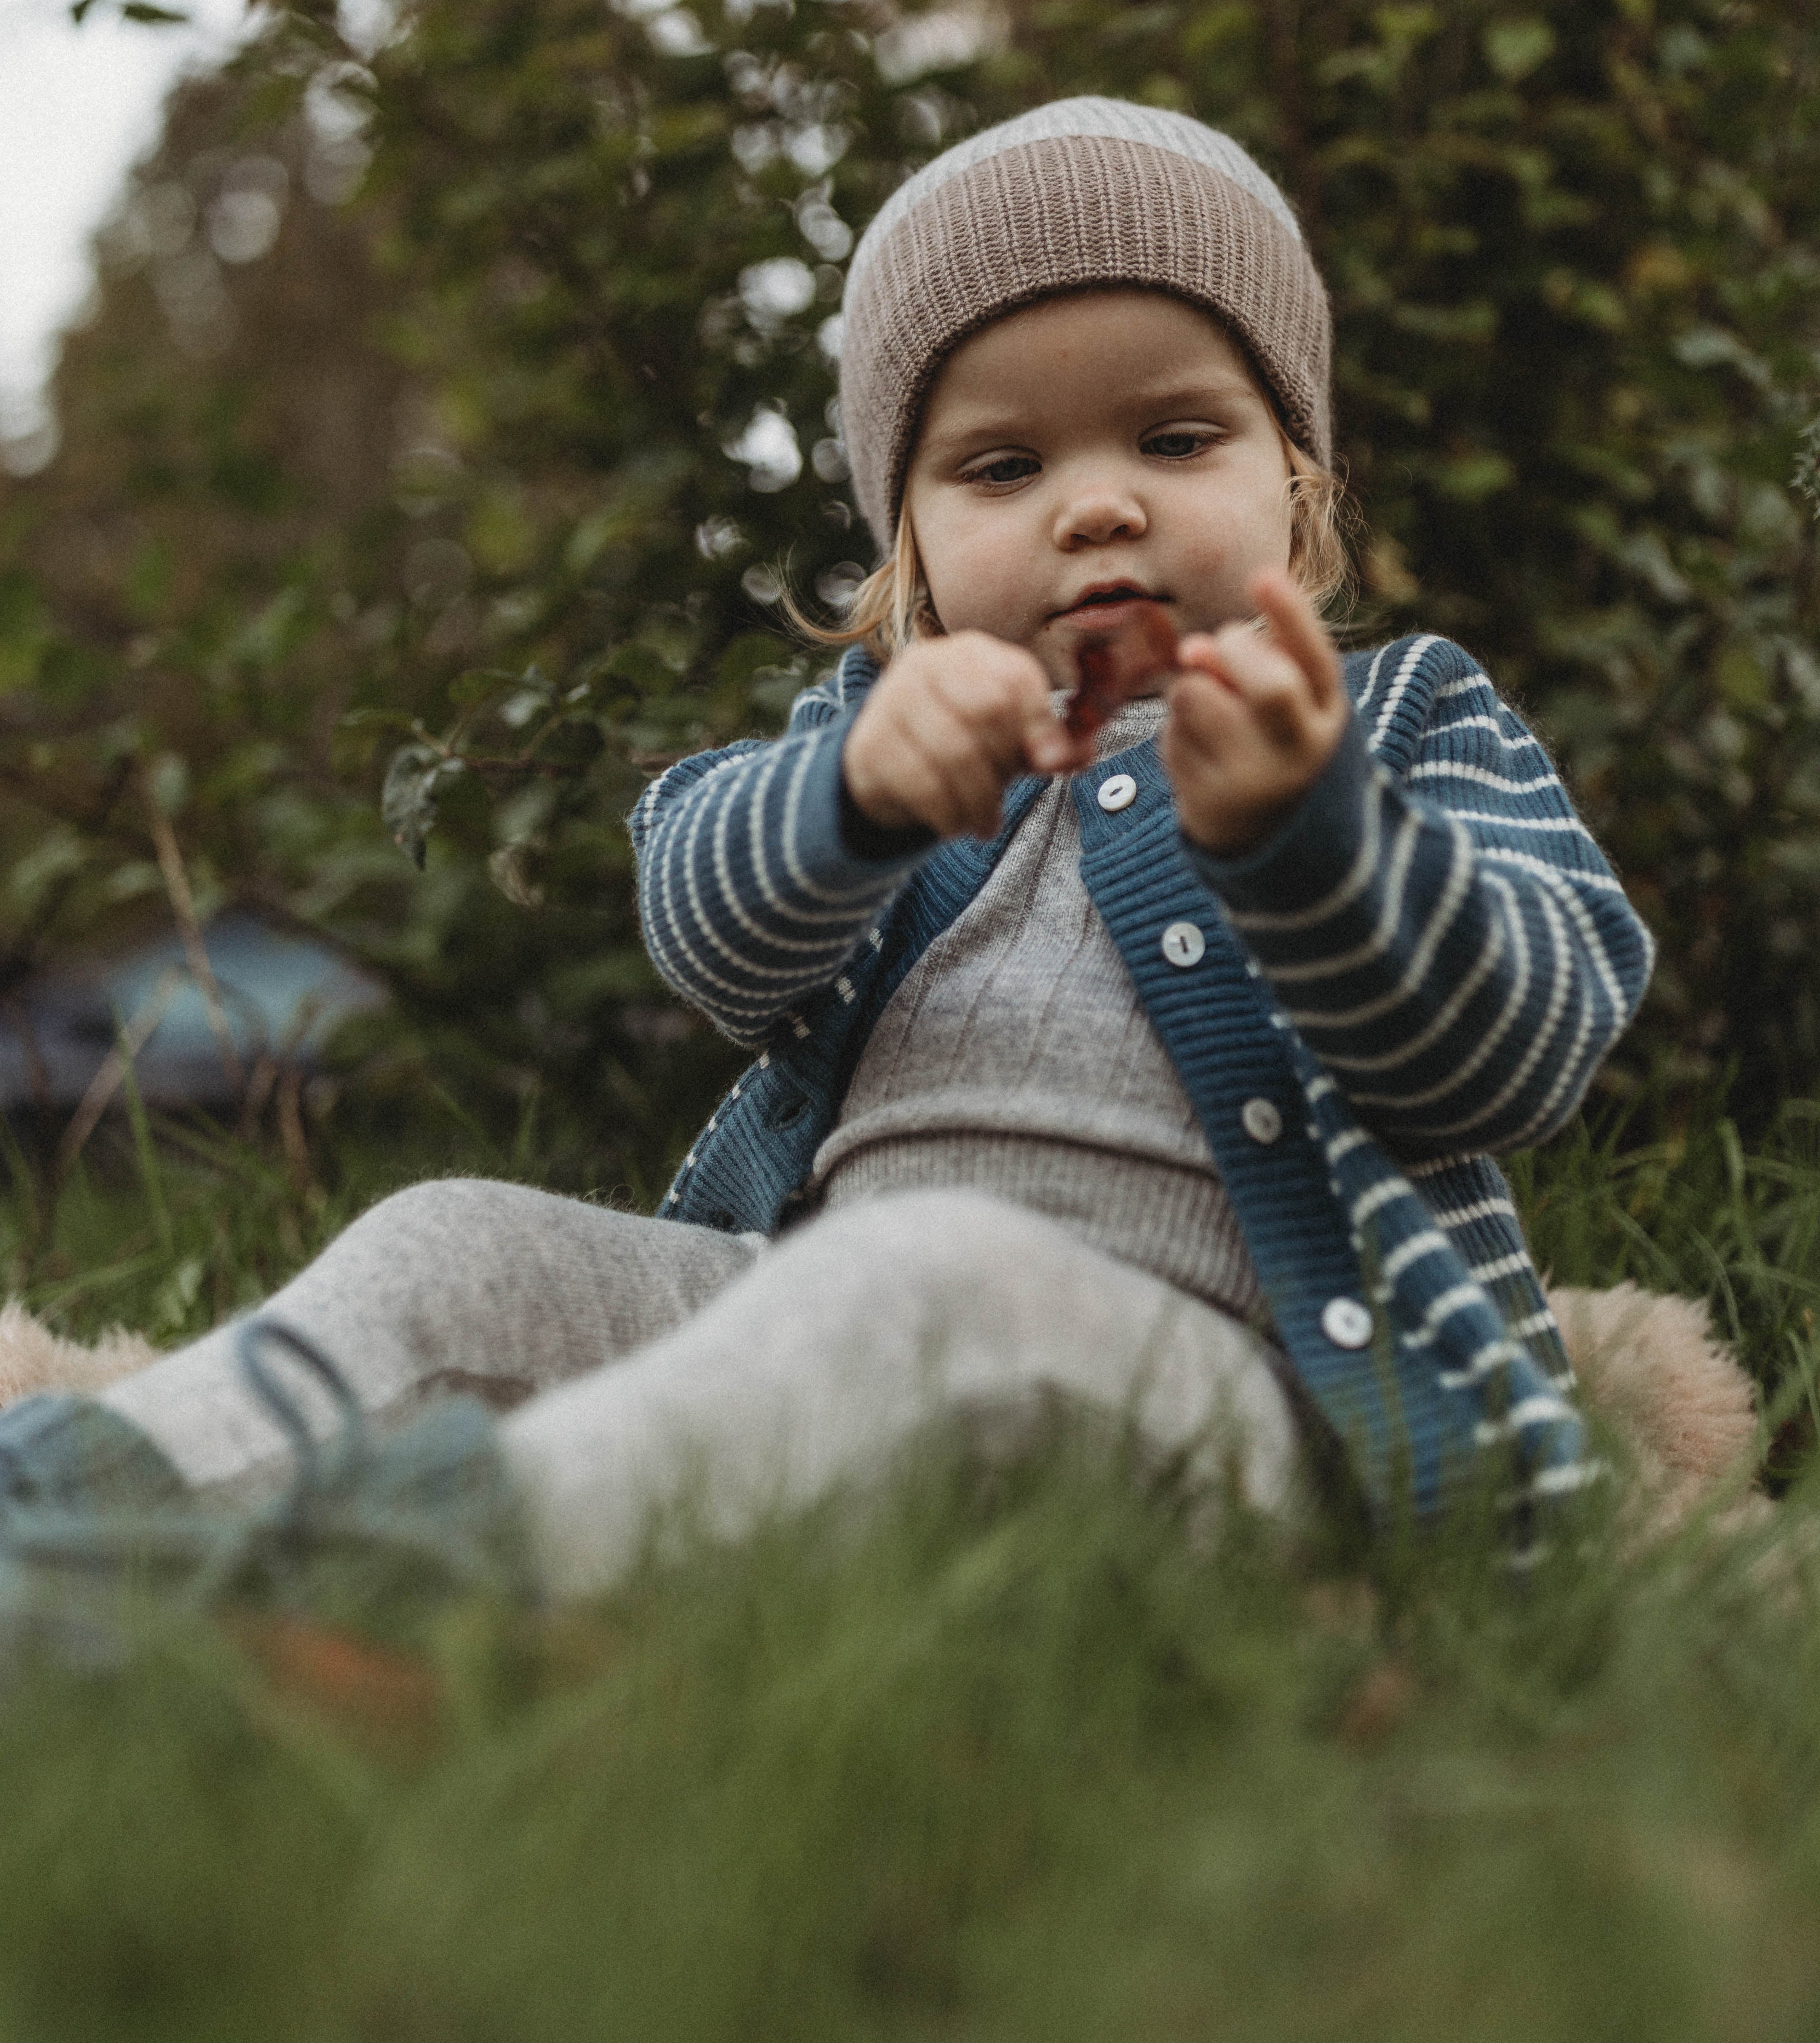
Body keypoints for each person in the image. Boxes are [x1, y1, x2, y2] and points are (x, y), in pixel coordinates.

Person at [0, 98, 1654, 1614]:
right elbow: (704, 933)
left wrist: (1315, 843)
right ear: (910, 543)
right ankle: (84, 1509)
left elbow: (1524, 1051)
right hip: (817, 1311)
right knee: (453, 1240)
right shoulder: (893, 739)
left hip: (1240, 1404)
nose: (1096, 508)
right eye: (1004, 466)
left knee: (926, 1277)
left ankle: (405, 1587)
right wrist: (857, 801)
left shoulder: (1401, 719)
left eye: (1176, 439)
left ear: (1295, 482)